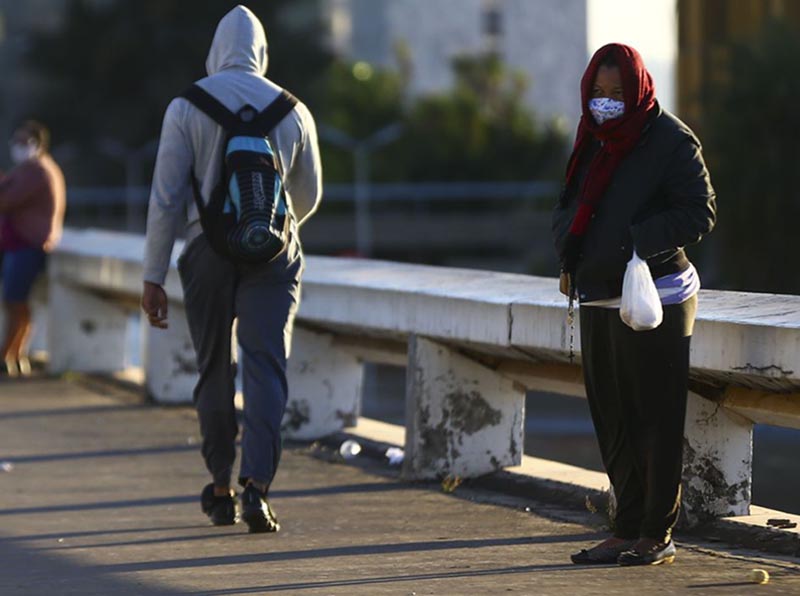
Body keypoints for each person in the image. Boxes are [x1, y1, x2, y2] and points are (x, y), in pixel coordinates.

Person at [141, 5, 322, 532]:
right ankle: (257, 488)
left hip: (205, 250)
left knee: (214, 366)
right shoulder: (294, 109)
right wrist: (269, 229)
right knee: (267, 366)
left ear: (216, 51)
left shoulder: (186, 106)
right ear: (262, 53)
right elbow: (308, 196)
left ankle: (219, 485)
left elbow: (166, 198)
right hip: (275, 255)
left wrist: (153, 275)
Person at [552, 43, 716, 566]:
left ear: (638, 90)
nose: (605, 103)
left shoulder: (669, 138)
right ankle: (624, 528)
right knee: (612, 416)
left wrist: (635, 243)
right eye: (598, 94)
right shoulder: (591, 139)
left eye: (616, 94)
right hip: (599, 294)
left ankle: (656, 534)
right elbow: (573, 204)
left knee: (655, 416)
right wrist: (570, 251)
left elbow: (699, 210)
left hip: (656, 297)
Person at [0, 121, 66, 377]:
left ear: (39, 143)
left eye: (23, 141)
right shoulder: (34, 168)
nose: (17, 146)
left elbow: (6, 200)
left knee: (15, 301)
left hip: (27, 246)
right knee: (19, 302)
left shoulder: (36, 170)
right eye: (15, 141)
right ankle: (15, 355)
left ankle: (8, 354)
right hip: (25, 245)